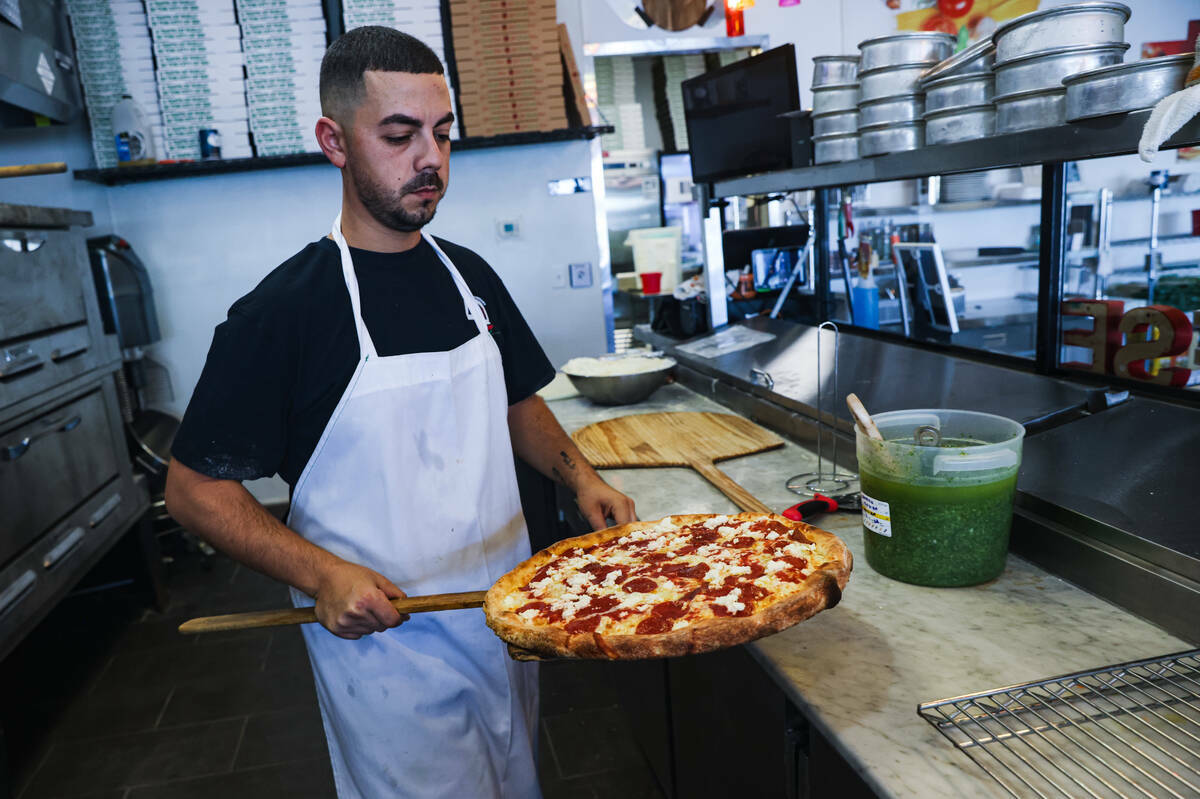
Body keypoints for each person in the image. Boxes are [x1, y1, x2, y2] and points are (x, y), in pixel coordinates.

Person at [164, 25, 636, 799]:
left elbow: (515, 398)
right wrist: (320, 573)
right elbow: (193, 489)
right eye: (400, 135)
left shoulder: (468, 277)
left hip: (506, 620)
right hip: (388, 651)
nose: (431, 160)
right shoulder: (284, 310)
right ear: (334, 140)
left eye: (443, 135)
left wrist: (581, 478)